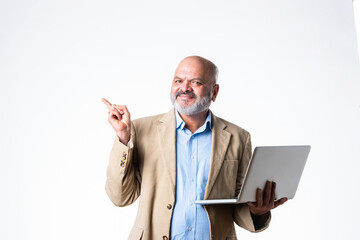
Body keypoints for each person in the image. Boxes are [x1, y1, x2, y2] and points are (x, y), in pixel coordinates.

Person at [102, 56, 287, 240]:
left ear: (214, 92)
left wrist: (258, 211)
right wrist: (123, 138)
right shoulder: (139, 130)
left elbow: (239, 207)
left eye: (196, 82)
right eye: (178, 81)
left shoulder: (238, 138)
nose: (184, 88)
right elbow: (120, 197)